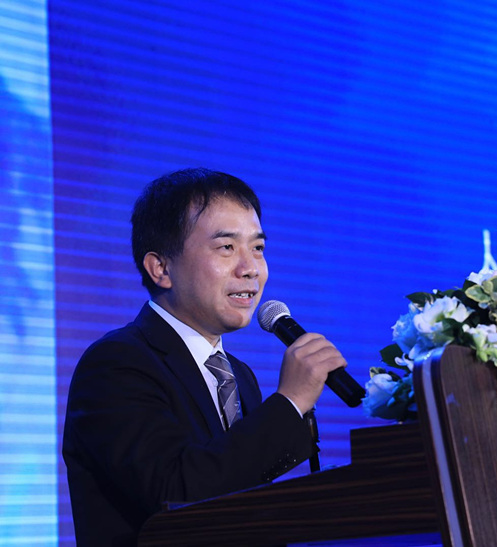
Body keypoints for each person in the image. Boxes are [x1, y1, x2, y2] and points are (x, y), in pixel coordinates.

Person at [62, 168, 347, 546]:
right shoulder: (115, 364)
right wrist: (290, 402)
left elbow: (241, 494)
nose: (251, 269)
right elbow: (177, 490)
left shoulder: (238, 375)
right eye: (227, 247)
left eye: (258, 248)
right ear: (161, 268)